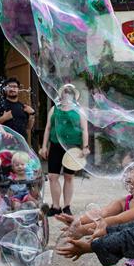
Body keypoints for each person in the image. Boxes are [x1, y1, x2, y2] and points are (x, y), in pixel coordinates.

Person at [40, 84, 89, 216]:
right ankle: (55, 206)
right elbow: (48, 128)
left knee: (69, 177)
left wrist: (85, 147)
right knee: (52, 176)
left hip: (72, 147)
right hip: (55, 145)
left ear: (73, 95)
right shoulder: (54, 109)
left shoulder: (79, 110)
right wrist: (44, 146)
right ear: (61, 95)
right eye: (65, 92)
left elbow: (84, 130)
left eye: (69, 92)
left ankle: (67, 206)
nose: (67, 94)